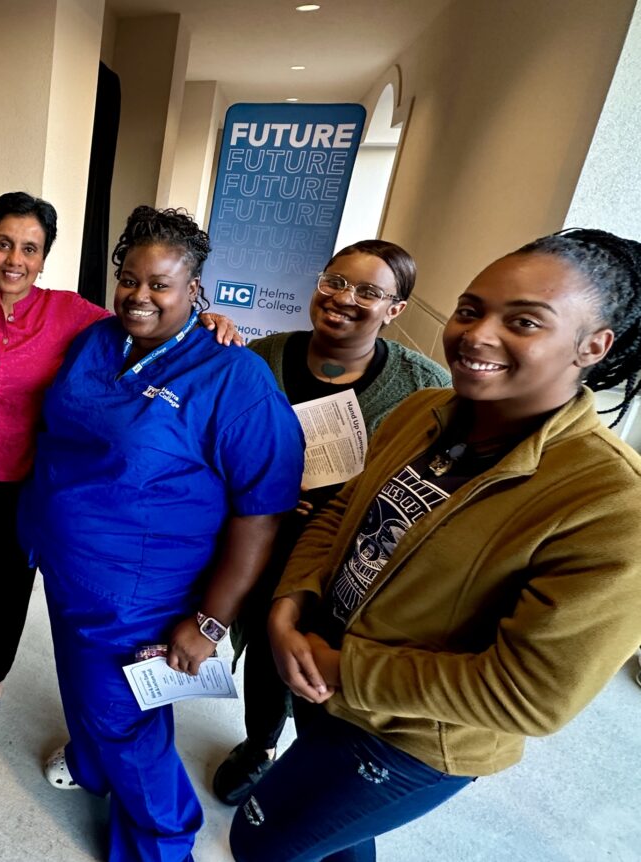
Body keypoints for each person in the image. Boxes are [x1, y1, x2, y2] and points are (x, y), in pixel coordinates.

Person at [228, 229, 641, 861]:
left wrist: (342, 668)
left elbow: (531, 694)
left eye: (525, 321)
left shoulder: (612, 504)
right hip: (323, 680)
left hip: (408, 735)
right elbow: (343, 515)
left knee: (262, 841)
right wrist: (290, 604)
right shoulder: (423, 410)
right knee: (337, 839)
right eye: (471, 309)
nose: (478, 335)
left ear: (593, 346)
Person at [18, 206, 305, 861]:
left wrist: (208, 623)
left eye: (160, 284)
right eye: (128, 278)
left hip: (140, 598)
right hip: (67, 567)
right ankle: (91, 768)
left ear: (196, 290)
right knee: (84, 686)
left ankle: (164, 841)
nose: (138, 296)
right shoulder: (97, 340)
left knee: (126, 721)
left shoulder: (233, 378)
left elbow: (260, 513)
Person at [0, 191, 241, 732]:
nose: (15, 259)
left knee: (10, 583)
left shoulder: (72, 315)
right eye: (4, 244)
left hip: (26, 482)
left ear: (44, 258)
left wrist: (204, 316)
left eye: (30, 248)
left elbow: (146, 320)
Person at [213, 239, 449, 806]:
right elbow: (216, 440)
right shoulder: (261, 358)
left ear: (394, 310)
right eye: (335, 282)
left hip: (356, 562)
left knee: (332, 678)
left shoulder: (425, 387)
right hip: (267, 546)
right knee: (270, 660)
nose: (344, 298)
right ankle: (259, 745)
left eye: (369, 292)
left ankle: (315, 768)